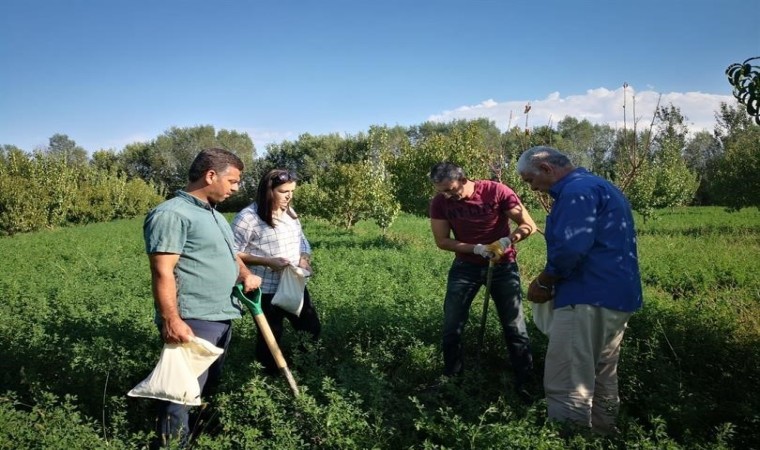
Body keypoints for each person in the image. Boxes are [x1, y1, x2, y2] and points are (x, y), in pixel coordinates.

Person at [516, 146, 643, 435]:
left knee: (569, 378)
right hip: (616, 296)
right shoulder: (601, 186)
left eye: (530, 180)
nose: (533, 187)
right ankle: (602, 433)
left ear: (546, 169)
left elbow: (571, 248)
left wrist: (545, 281)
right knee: (602, 373)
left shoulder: (575, 193)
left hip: (587, 295)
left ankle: (569, 437)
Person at [143, 147, 262, 447]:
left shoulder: (213, 214)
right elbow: (162, 272)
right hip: (193, 319)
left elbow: (229, 255)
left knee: (203, 388)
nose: (236, 188)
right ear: (211, 175)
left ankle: (194, 438)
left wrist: (245, 274)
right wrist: (172, 319)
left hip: (221, 314)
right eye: (233, 180)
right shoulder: (172, 214)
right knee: (179, 394)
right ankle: (172, 445)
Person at [428, 162, 537, 398]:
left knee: (514, 326)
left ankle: (525, 381)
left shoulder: (496, 191)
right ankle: (452, 377)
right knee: (452, 324)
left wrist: (506, 242)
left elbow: (529, 225)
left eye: (450, 189)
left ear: (463, 179)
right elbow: (442, 241)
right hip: (465, 267)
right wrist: (476, 249)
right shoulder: (441, 202)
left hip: (503, 266)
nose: (447, 195)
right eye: (441, 191)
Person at [231, 169, 321, 375]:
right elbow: (231, 252)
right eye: (283, 191)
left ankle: (304, 370)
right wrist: (266, 261)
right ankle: (269, 378)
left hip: (292, 285)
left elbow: (302, 241)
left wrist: (304, 260)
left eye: (292, 191)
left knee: (311, 329)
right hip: (265, 290)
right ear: (268, 191)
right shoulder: (248, 218)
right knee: (270, 337)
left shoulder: (290, 213)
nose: (289, 196)